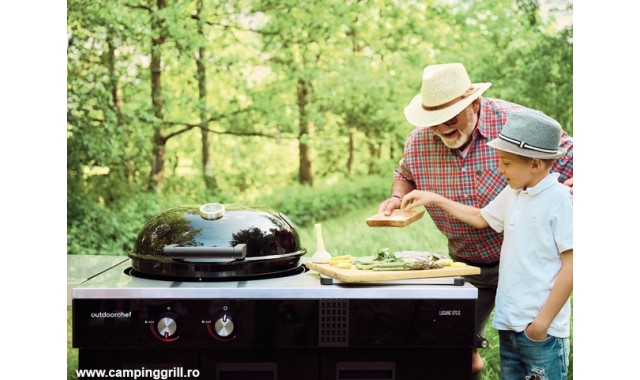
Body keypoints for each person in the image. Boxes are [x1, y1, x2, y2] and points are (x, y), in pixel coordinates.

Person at [376, 62, 573, 376]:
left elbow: (566, 153)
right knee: (451, 343)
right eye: (434, 120)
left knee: (539, 354)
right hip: (468, 264)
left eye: (450, 117)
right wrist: (399, 197)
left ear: (474, 103)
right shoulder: (418, 142)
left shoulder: (515, 127)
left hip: (531, 266)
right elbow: (405, 174)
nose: (442, 128)